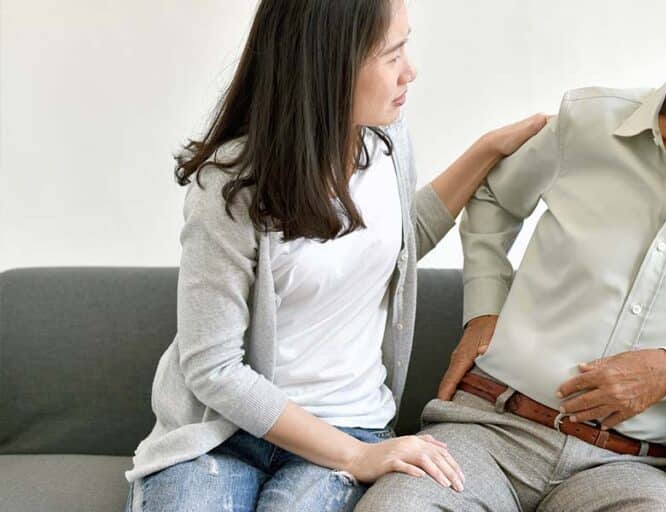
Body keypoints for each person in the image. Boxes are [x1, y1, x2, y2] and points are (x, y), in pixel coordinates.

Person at [357, 21, 666, 511]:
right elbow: (494, 199)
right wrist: (484, 306)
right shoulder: (591, 121)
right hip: (490, 430)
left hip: (632, 468)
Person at [123, 1, 547, 510]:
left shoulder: (388, 142)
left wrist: (487, 151)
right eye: (392, 54)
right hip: (223, 434)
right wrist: (355, 458)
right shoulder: (230, 187)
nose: (409, 70)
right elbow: (213, 369)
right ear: (329, 64)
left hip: (350, 421)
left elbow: (395, 239)